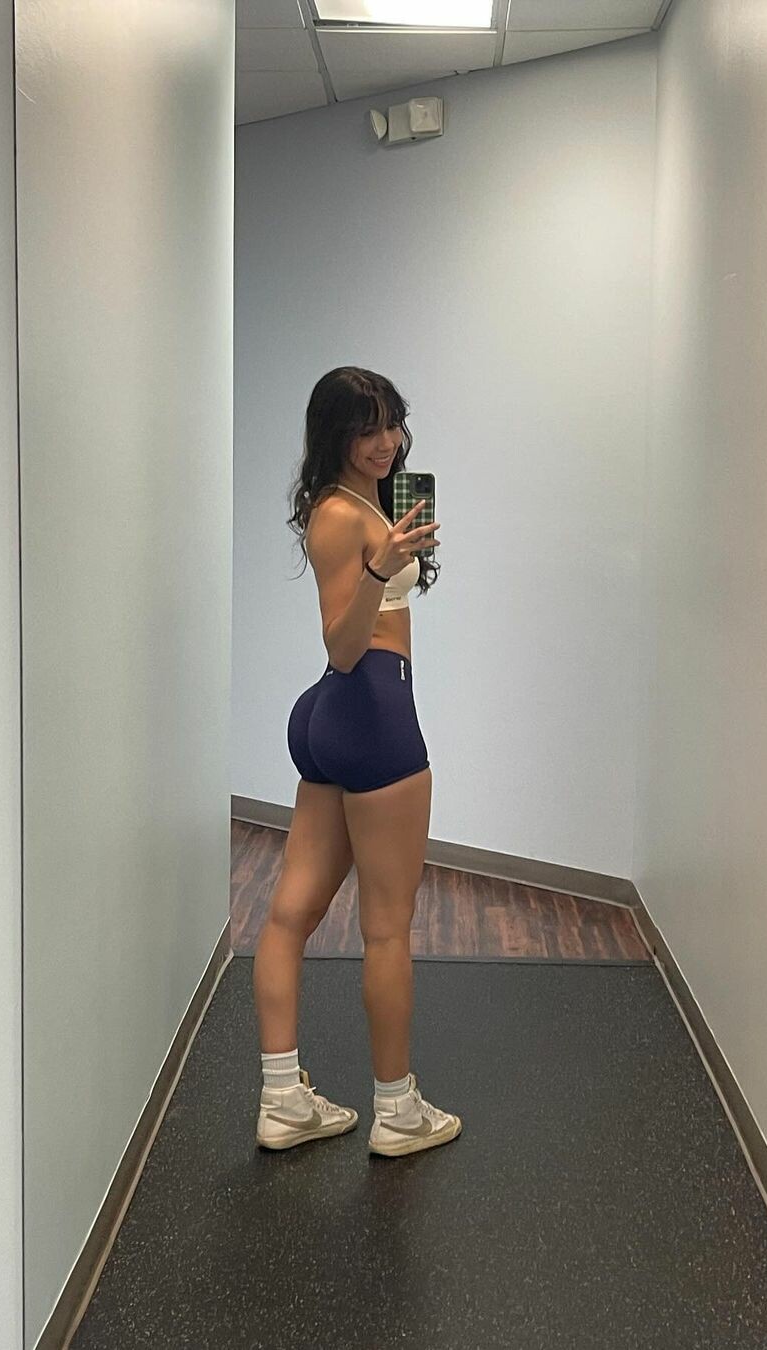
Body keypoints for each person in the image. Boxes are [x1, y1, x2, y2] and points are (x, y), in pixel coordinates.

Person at [252, 366, 462, 1157]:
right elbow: (343, 647)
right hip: (369, 709)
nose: (385, 442)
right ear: (334, 434)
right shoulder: (341, 517)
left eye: (392, 424)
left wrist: (397, 554)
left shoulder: (364, 501)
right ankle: (398, 1112)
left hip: (332, 719)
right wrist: (379, 569)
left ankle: (283, 1103)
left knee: (289, 915)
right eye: (366, 428)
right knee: (386, 931)